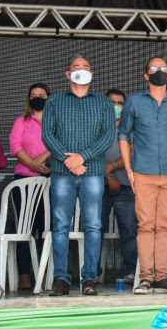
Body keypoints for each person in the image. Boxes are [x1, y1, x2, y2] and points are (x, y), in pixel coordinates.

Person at [119, 57, 167, 295]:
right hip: (143, 172)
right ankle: (145, 278)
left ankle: (162, 277)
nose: (159, 72)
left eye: (163, 69)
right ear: (146, 75)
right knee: (145, 226)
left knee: (164, 226)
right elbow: (123, 135)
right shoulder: (134, 101)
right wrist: (129, 169)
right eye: (154, 68)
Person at [42, 55, 116, 296]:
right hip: (62, 172)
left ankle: (90, 278)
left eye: (86, 67)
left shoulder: (103, 102)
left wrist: (82, 157)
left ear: (92, 74)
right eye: (76, 67)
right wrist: (68, 160)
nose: (81, 70)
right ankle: (61, 279)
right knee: (61, 225)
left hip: (92, 171)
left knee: (93, 225)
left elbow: (108, 136)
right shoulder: (54, 101)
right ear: (68, 74)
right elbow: (47, 135)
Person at [9, 83, 51, 290]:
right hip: (23, 179)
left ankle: (43, 273)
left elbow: (58, 143)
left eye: (42, 95)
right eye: (33, 95)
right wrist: (33, 165)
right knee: (25, 228)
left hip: (49, 178)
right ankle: (24, 274)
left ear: (49, 98)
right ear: (28, 99)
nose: (38, 98)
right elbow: (15, 146)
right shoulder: (21, 121)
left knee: (45, 228)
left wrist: (40, 161)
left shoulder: (55, 121)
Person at [97, 89, 138, 286]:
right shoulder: (96, 127)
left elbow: (132, 153)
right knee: (95, 229)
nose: (116, 106)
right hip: (99, 187)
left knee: (129, 230)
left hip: (126, 186)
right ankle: (92, 273)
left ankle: (131, 272)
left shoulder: (130, 128)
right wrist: (109, 175)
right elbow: (92, 154)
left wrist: (112, 167)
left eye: (120, 103)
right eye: (112, 102)